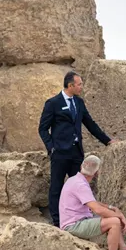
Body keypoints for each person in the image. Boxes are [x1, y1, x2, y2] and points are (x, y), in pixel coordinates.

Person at [39, 71, 114, 227]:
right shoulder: (53, 103)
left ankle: (79, 219)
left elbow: (90, 124)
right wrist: (51, 148)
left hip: (76, 152)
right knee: (56, 187)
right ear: (70, 85)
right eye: (79, 84)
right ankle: (57, 222)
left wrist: (107, 141)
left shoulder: (79, 102)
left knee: (80, 186)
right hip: (59, 153)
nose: (81, 87)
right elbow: (43, 129)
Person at [59, 154, 126, 250]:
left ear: (81, 166)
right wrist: (120, 216)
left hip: (77, 221)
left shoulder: (74, 180)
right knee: (114, 222)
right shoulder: (80, 185)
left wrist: (111, 208)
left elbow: (92, 202)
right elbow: (97, 209)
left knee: (111, 216)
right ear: (97, 172)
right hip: (73, 226)